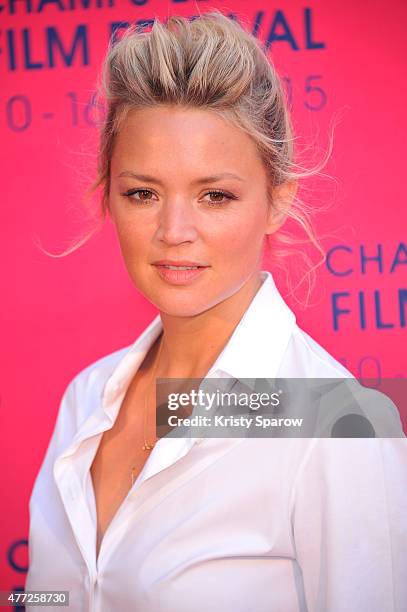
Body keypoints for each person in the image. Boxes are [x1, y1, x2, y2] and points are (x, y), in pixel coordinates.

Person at [25, 11, 406, 612]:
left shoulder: (340, 426)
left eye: (215, 195)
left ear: (277, 200)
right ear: (109, 196)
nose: (174, 231)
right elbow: (47, 597)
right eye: (142, 193)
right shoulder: (86, 398)